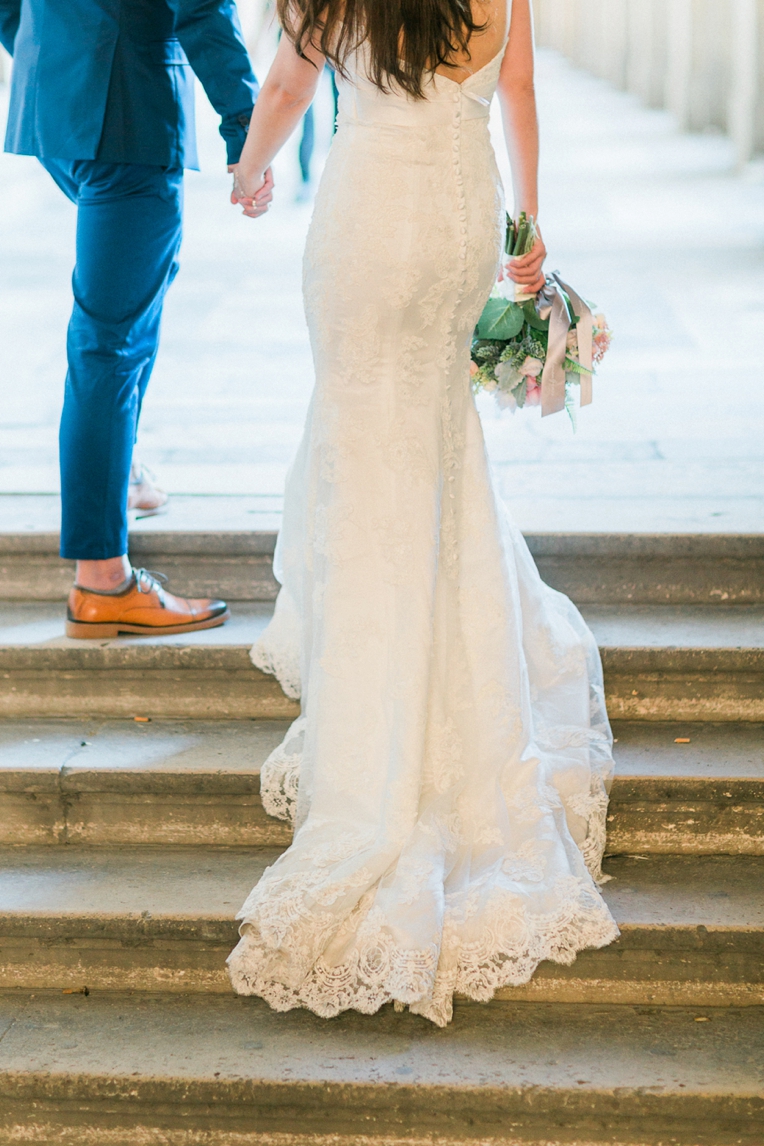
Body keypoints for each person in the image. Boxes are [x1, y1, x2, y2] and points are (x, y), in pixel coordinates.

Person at [226, 0, 619, 1026]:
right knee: (434, 444)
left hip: (364, 220)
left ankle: (375, 712)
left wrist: (248, 169)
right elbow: (519, 92)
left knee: (365, 445)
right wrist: (527, 227)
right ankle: (448, 669)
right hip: (454, 220)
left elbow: (288, 85)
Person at [0, 0, 271, 637]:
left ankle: (116, 478)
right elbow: (203, 6)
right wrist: (245, 128)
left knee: (125, 308)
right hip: (129, 110)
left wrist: (58, 61)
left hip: (57, 97)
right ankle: (103, 581)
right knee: (111, 342)